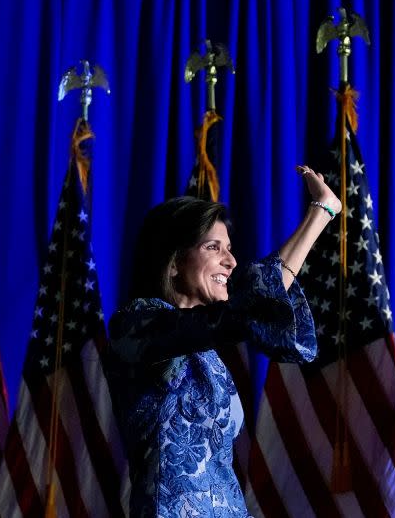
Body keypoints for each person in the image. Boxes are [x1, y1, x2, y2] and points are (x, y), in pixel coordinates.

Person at [106, 165, 341, 517]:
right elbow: (243, 310)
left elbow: (249, 308)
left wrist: (320, 212)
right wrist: (319, 214)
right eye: (213, 247)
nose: (230, 261)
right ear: (173, 262)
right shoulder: (137, 324)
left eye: (229, 248)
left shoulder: (209, 353)